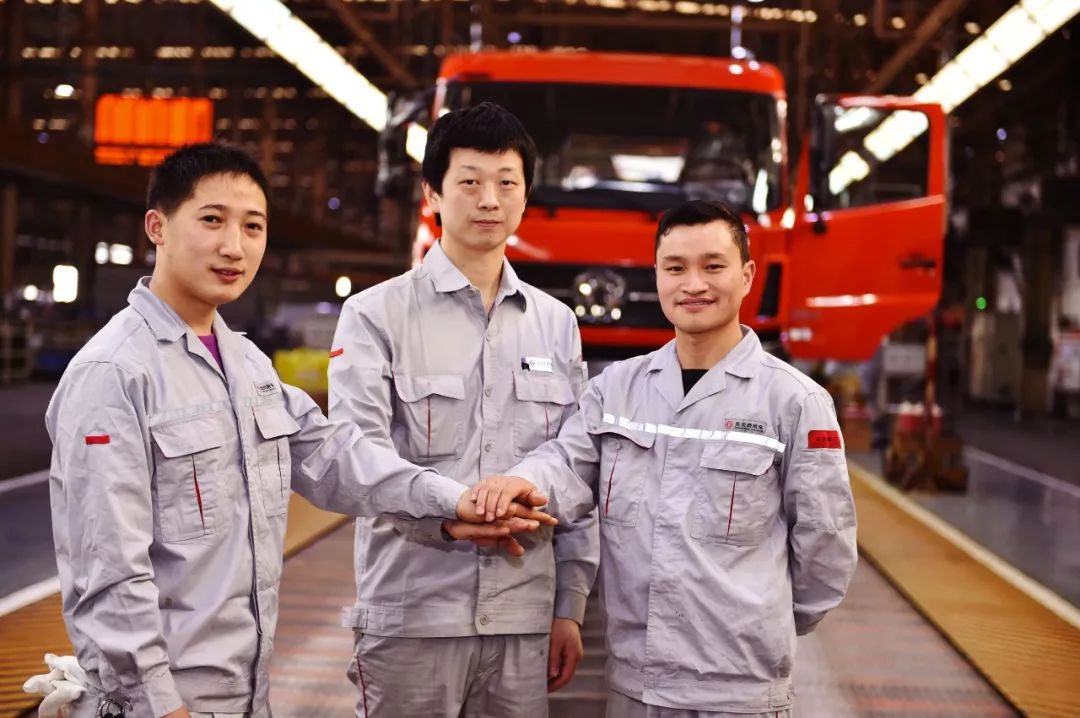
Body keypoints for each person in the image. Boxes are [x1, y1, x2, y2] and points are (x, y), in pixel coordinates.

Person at [45, 142, 550, 718]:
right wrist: (158, 705)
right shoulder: (113, 372)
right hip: (163, 702)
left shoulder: (247, 366)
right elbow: (109, 572)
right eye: (212, 220)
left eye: (252, 226)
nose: (234, 246)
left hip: (244, 690)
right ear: (157, 227)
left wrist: (454, 505)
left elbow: (337, 459)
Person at [469, 199, 858, 717]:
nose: (693, 284)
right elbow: (565, 463)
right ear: (657, 276)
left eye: (713, 267)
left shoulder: (795, 402)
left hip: (740, 693)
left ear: (746, 277)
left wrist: (757, 624)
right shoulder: (617, 390)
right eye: (675, 268)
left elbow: (826, 547)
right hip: (636, 684)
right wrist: (518, 481)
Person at [328, 102, 599, 717]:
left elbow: (577, 465)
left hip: (522, 623)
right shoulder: (375, 315)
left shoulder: (556, 324)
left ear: (525, 196)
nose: (489, 200)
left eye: (507, 183)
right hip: (413, 618)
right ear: (433, 193)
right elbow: (355, 455)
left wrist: (570, 605)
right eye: (470, 182)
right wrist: (451, 511)